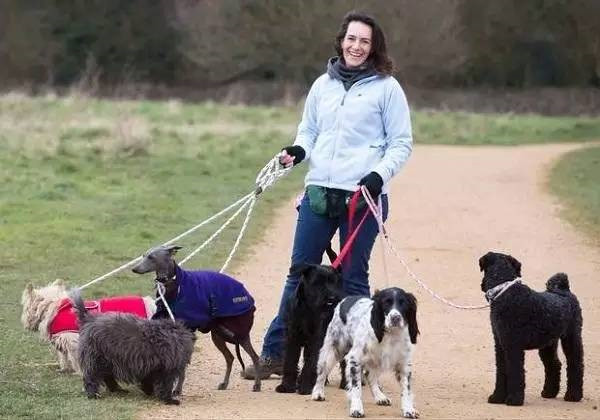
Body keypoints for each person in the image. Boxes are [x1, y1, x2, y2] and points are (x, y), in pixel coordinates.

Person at [243, 10, 413, 379]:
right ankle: (275, 354)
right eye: (351, 39)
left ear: (374, 46)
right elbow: (309, 132)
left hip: (363, 197)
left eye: (364, 41)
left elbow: (401, 144)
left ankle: (359, 362)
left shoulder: (387, 88)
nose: (356, 46)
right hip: (319, 193)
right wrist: (297, 151)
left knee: (353, 280)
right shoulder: (323, 85)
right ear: (341, 41)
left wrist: (378, 175)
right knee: (299, 275)